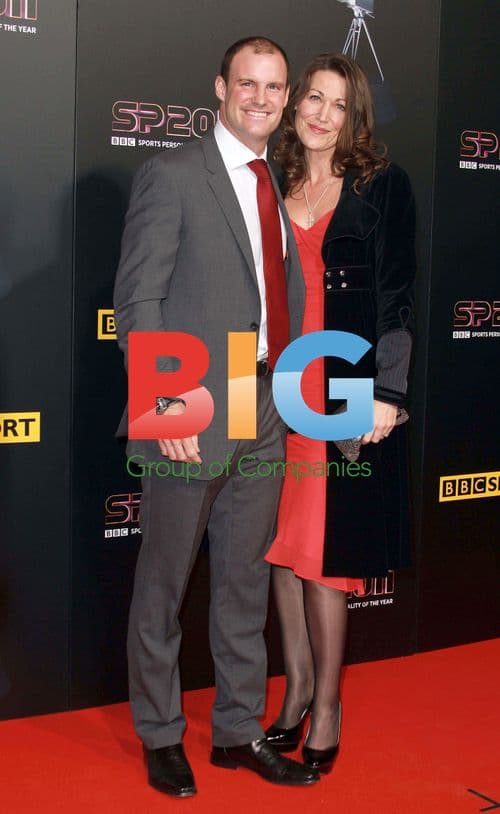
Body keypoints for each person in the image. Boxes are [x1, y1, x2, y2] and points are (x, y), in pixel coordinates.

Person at [113, 37, 320, 797]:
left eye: (274, 87)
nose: (261, 99)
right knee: (164, 582)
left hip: (263, 393)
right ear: (221, 89)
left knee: (241, 579)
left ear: (286, 95)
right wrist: (164, 405)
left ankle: (237, 731)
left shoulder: (276, 178)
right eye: (248, 84)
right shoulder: (172, 175)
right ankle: (161, 734)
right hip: (195, 394)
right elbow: (138, 300)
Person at [264, 53, 415, 773]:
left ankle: (327, 707)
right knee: (282, 549)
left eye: (338, 104)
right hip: (272, 385)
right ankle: (293, 692)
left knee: (324, 557)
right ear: (295, 107)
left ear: (355, 118)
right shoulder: (272, 180)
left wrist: (389, 392)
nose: (321, 115)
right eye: (312, 99)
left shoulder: (383, 187)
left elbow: (397, 294)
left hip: (344, 384)